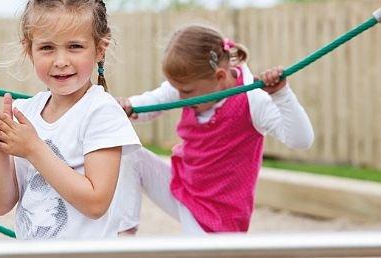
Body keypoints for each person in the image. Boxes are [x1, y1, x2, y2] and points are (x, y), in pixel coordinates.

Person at [0, 0, 140, 239]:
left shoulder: (102, 112)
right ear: (29, 50)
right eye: (47, 47)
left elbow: (96, 204)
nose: (60, 61)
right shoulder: (24, 112)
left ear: (100, 49)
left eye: (75, 46)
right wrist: (0, 145)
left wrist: (33, 149)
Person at [116, 24, 314, 234]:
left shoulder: (253, 101)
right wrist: (128, 107)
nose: (180, 97)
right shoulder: (192, 86)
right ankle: (125, 237)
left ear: (220, 77)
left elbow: (301, 140)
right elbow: (153, 101)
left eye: (186, 91)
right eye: (178, 90)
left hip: (217, 219)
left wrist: (281, 94)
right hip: (182, 188)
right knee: (129, 155)